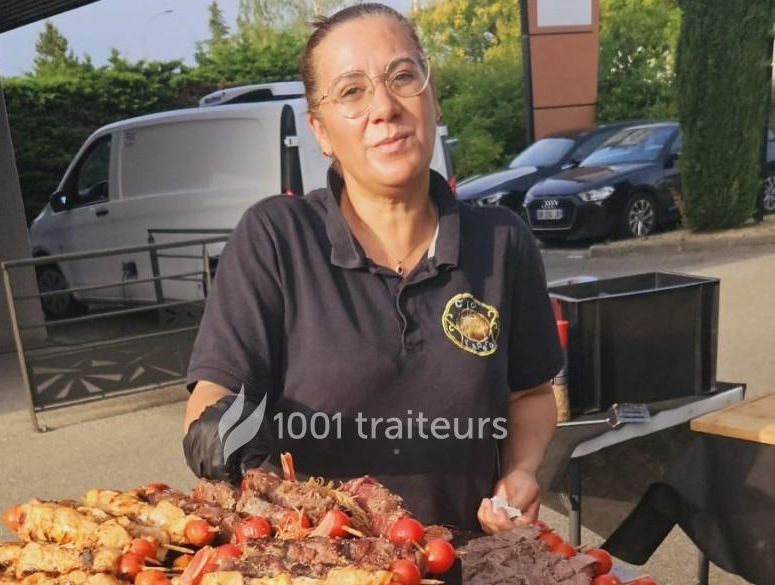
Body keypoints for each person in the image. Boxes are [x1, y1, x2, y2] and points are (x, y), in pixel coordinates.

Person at [183, 3, 563, 534]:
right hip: (319, 582)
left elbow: (532, 394)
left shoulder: (501, 241)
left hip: (467, 574)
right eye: (351, 91)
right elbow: (217, 393)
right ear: (320, 130)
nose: (384, 107)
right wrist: (226, 443)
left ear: (431, 97)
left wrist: (521, 472)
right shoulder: (276, 237)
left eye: (402, 77)